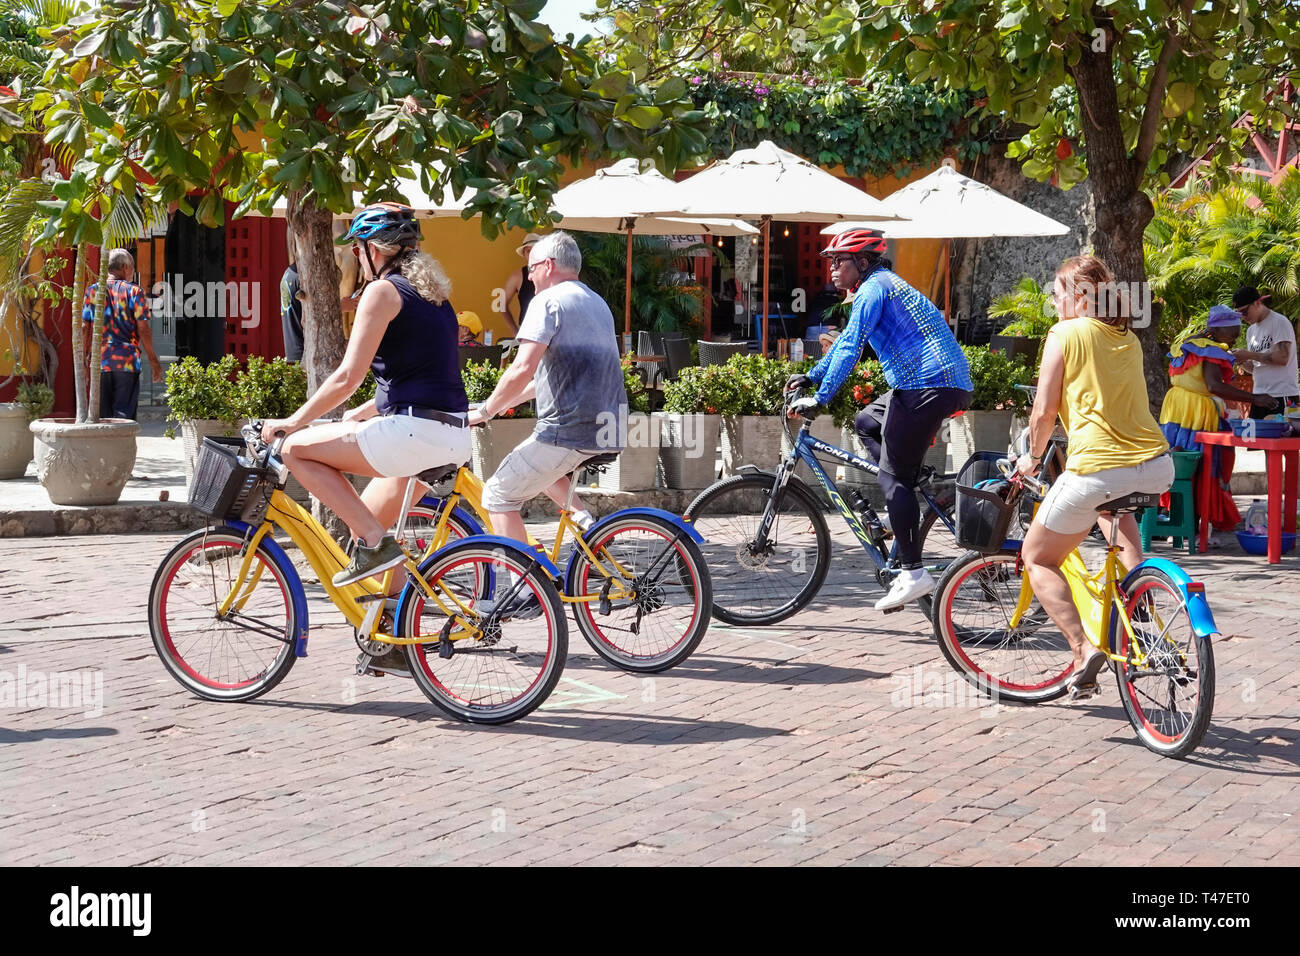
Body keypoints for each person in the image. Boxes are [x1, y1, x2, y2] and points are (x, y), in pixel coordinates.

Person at [259, 203, 470, 593]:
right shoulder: (434, 296)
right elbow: (421, 375)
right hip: (450, 434)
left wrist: (293, 423)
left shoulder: (381, 292)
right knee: (367, 524)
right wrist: (365, 410)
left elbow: (346, 376)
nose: (356, 258)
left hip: (413, 433)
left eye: (356, 250)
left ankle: (375, 544)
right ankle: (392, 632)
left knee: (296, 450)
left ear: (373, 250)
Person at [786, 228, 973, 611]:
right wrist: (814, 374)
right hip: (931, 384)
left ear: (864, 262)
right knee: (866, 422)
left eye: (840, 261)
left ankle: (913, 573)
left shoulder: (875, 288)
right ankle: (904, 493)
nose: (833, 269)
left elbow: (852, 348)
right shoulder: (877, 286)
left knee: (892, 477)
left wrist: (820, 399)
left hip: (928, 385)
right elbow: (846, 340)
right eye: (831, 261)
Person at [1017, 255, 1174, 699]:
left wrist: (1032, 457)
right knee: (1115, 517)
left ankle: (1082, 651)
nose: (1054, 302)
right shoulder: (1127, 335)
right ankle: (1140, 613)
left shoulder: (1065, 332)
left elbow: (1045, 410)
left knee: (1039, 557)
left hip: (1098, 468)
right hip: (1157, 465)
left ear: (1080, 296)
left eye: (1058, 293)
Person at [470, 231, 626, 572]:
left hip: (569, 430)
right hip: (610, 429)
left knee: (497, 494)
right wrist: (498, 404)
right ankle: (583, 520)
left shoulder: (547, 302)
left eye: (532, 268)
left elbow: (522, 368)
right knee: (536, 465)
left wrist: (484, 411)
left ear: (549, 265)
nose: (528, 276)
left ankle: (525, 588)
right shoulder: (595, 302)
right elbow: (540, 382)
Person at [1159, 305, 1279, 539]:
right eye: (1233, 332)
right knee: (1202, 465)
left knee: (1181, 464)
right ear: (1218, 329)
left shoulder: (1189, 343)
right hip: (1196, 412)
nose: (1235, 337)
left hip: (1175, 409)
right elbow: (1214, 385)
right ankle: (1192, 525)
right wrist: (1255, 398)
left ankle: (1182, 523)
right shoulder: (1211, 350)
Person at [81, 248, 163, 420]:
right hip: (127, 362)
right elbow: (143, 328)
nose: (133, 272)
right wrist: (154, 360)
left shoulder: (93, 291)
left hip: (100, 362)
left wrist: (83, 360)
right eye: (133, 267)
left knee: (101, 417)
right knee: (123, 418)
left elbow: (84, 327)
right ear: (125, 267)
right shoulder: (134, 291)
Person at [1232, 286, 1298, 418]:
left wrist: (1248, 354)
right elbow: (1256, 368)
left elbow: (1282, 358)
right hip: (1259, 396)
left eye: (1244, 311)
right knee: (1255, 438)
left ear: (1257, 303)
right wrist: (1240, 361)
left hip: (1281, 395)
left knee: (1283, 438)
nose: (1243, 317)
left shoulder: (1279, 322)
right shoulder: (1251, 331)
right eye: (1239, 314)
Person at [497, 232, 541, 335]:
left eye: (535, 250)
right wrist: (514, 330)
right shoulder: (518, 276)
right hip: (528, 331)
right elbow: (501, 303)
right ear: (524, 254)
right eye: (528, 251)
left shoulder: (552, 272)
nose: (531, 254)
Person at [280, 261, 304, 362]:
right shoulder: (303, 277)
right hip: (305, 348)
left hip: (294, 347)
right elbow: (315, 311)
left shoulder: (289, 272)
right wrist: (340, 306)